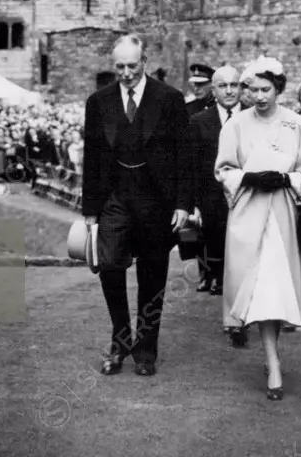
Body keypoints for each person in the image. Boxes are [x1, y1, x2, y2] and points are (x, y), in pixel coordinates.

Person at [215, 56, 301, 401]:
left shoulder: (297, 125)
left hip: (282, 217)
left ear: (279, 88)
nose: (259, 97)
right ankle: (273, 362)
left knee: (276, 290)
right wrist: (248, 177)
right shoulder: (235, 125)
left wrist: (285, 178)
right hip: (248, 214)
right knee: (258, 289)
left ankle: (272, 358)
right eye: (253, 90)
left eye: (266, 90)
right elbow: (223, 169)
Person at [82, 33, 192, 377]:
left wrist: (183, 203)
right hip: (115, 197)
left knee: (152, 275)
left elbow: (184, 154)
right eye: (119, 67)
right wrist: (89, 209)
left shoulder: (170, 99)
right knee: (110, 265)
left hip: (156, 199)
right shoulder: (99, 102)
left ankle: (145, 350)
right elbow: (93, 156)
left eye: (132, 66)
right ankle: (120, 339)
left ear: (144, 63)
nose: (126, 73)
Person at [188, 65, 246, 328]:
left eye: (235, 85)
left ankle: (241, 309)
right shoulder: (200, 121)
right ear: (214, 90)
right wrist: (194, 205)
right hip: (213, 200)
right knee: (216, 248)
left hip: (247, 198)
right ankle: (230, 312)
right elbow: (193, 165)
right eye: (223, 86)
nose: (230, 91)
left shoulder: (253, 116)